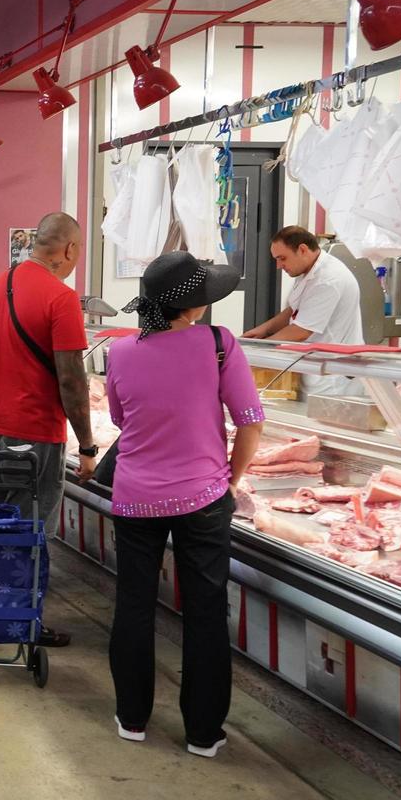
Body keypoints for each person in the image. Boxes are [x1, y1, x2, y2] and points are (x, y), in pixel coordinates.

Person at [107, 251, 265, 758]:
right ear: (195, 305)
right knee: (204, 613)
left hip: (134, 498)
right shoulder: (219, 344)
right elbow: (250, 421)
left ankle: (132, 718)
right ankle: (202, 732)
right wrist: (232, 478)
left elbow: (119, 418)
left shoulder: (123, 352)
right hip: (204, 497)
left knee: (133, 607)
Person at [0, 212, 95, 649]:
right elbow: (71, 379)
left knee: (0, 517)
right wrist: (87, 443)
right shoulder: (61, 298)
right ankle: (22, 618)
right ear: (69, 250)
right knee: (30, 527)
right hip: (37, 430)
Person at [243, 225, 364, 397]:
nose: (278, 265)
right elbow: (295, 309)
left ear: (302, 249)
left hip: (333, 378)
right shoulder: (307, 272)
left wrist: (261, 350)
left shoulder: (328, 280)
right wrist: (263, 330)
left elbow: (301, 331)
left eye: (282, 258)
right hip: (311, 367)